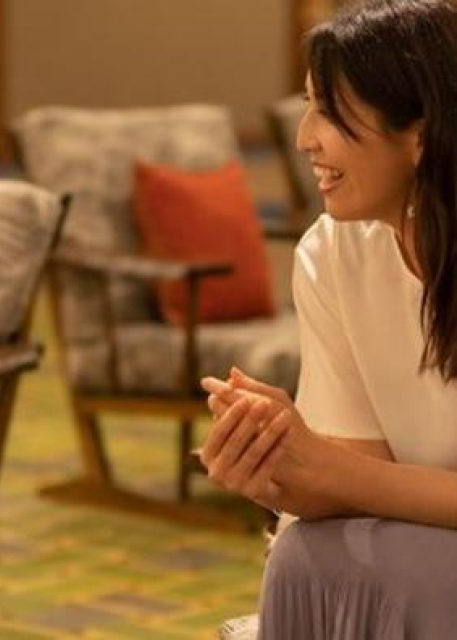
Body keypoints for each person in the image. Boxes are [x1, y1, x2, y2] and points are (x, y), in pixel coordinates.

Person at [199, 0, 457, 637]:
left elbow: (356, 479)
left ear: (421, 135)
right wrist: (278, 464)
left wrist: (333, 470)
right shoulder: (333, 252)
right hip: (425, 536)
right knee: (304, 555)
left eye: (330, 111)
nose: (304, 138)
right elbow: (359, 479)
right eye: (307, 105)